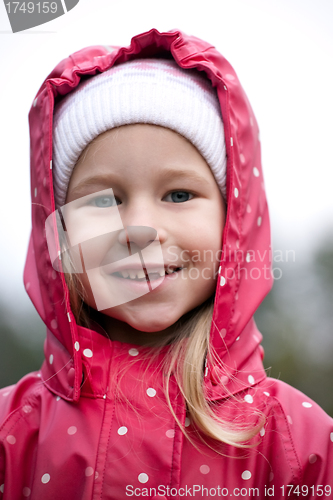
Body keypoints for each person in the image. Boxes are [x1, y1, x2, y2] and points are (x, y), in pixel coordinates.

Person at [0, 28, 332, 500]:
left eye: (179, 194)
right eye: (104, 200)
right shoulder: (13, 435)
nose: (138, 227)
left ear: (233, 222)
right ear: (62, 234)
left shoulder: (300, 443)